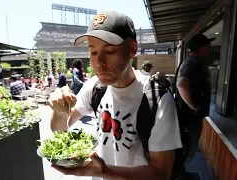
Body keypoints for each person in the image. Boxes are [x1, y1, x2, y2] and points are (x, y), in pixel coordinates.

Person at [48, 11, 182, 180]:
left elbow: (161, 173)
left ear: (132, 49)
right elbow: (60, 129)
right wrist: (60, 110)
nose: (99, 63)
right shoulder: (94, 86)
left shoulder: (157, 98)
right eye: (93, 52)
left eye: (110, 51)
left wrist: (105, 172)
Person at [173, 34, 214, 179]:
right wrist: (193, 106)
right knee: (188, 146)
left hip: (187, 116)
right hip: (189, 117)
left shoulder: (189, 62)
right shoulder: (194, 63)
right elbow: (181, 84)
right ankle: (178, 174)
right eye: (207, 46)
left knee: (186, 145)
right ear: (200, 47)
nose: (209, 48)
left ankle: (180, 171)